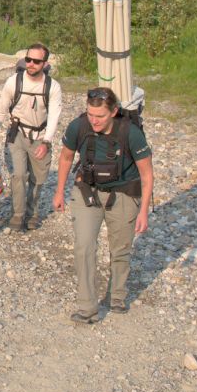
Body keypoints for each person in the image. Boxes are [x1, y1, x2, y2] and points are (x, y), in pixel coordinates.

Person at [52, 87, 153, 323]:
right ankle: (87, 306)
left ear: (114, 112)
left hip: (124, 193)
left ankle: (116, 296)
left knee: (120, 248)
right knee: (84, 246)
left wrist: (144, 211)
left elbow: (147, 174)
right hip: (87, 191)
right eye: (91, 115)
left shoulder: (131, 132)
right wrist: (59, 192)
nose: (94, 121)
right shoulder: (79, 126)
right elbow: (66, 157)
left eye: (100, 116)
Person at [0, 43, 62, 231]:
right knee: (18, 175)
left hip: (40, 136)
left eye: (36, 61)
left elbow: (54, 117)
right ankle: (17, 215)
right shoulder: (13, 82)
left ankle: (32, 213)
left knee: (38, 179)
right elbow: (1, 110)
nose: (31, 64)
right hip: (16, 134)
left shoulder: (53, 87)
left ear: (45, 63)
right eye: (28, 59)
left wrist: (47, 142)